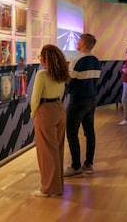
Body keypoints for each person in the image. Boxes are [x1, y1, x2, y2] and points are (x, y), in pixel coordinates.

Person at [31, 45, 70, 197]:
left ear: (46, 58)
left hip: (45, 111)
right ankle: (57, 185)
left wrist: (33, 112)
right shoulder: (61, 74)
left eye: (40, 56)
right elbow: (61, 93)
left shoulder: (42, 75)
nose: (39, 58)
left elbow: (35, 99)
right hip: (59, 109)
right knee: (57, 148)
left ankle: (49, 188)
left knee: (46, 151)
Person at [64, 33, 101, 178]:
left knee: (72, 133)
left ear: (83, 43)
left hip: (77, 101)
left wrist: (68, 90)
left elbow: (70, 82)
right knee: (89, 132)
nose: (77, 43)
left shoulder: (76, 61)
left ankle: (75, 167)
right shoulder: (96, 61)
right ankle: (88, 164)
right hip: (91, 100)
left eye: (79, 40)